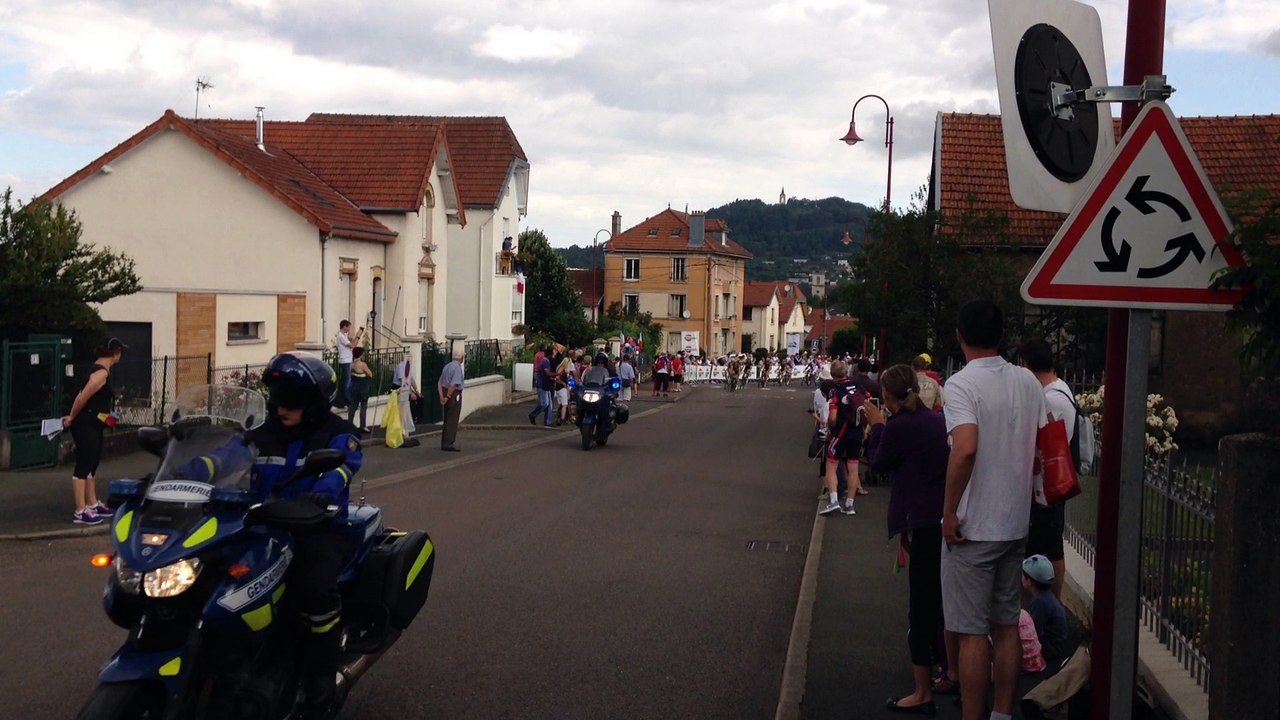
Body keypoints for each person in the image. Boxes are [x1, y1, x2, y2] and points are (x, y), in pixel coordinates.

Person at [941, 299, 1046, 720]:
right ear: (1001, 336)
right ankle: (1002, 713)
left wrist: (949, 512)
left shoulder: (962, 385)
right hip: (1015, 520)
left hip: (974, 525)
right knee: (1006, 625)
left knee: (969, 633)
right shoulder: (1027, 382)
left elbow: (964, 450)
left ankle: (972, 715)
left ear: (959, 336)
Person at [248, 352, 362, 716]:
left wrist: (322, 493)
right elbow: (219, 458)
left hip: (317, 529)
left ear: (313, 404)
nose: (282, 408)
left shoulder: (339, 434)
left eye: (292, 401)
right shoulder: (260, 435)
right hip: (263, 526)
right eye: (278, 398)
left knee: (314, 592)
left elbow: (343, 466)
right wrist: (177, 475)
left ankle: (319, 688)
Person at [864, 364, 951, 715]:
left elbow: (878, 462)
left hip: (918, 517)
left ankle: (921, 689)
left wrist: (878, 425)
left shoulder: (899, 426)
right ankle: (950, 669)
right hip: (942, 514)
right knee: (942, 601)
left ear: (887, 394)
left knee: (921, 605)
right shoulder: (936, 420)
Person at [1017, 337, 1075, 599]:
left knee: (1049, 547)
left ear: (1026, 365)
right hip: (1047, 482)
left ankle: (1050, 603)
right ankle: (1048, 602)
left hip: (1047, 484)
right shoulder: (1060, 390)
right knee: (1048, 544)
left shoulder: (1051, 398)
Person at [62, 338, 127, 525]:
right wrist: (72, 417)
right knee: (83, 464)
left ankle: (92, 503)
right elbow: (82, 397)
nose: (120, 356)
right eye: (120, 352)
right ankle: (80, 510)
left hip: (95, 423)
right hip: (85, 423)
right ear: (115, 354)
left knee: (92, 463)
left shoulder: (102, 371)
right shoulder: (100, 374)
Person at [821, 360, 868, 516]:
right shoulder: (858, 387)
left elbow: (833, 417)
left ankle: (834, 500)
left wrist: (830, 428)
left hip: (841, 432)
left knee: (831, 464)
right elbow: (869, 401)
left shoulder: (835, 391)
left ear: (833, 375)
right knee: (853, 467)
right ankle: (850, 504)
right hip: (857, 431)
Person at [1022, 554, 1068, 666]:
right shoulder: (1047, 598)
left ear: (1029, 581)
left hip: (1051, 648)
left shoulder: (1040, 603)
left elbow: (1033, 630)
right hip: (1056, 645)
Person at [437, 347, 464, 452]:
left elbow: (439, 383)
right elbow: (454, 384)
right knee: (452, 419)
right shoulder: (457, 368)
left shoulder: (447, 366)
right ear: (461, 358)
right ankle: (448, 443)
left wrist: (441, 396)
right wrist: (448, 396)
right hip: (453, 395)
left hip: (444, 392)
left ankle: (445, 442)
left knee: (447, 418)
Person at [392, 350, 420, 446]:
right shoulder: (401, 367)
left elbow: (411, 379)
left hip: (405, 390)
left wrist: (416, 391)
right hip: (399, 390)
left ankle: (405, 431)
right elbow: (403, 381)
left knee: (406, 411)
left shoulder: (408, 367)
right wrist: (410, 393)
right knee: (401, 412)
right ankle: (401, 432)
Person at [335, 320, 363, 408]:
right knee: (347, 382)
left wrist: (358, 336)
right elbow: (353, 345)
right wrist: (358, 336)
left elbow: (353, 343)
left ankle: (344, 401)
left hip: (348, 360)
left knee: (347, 381)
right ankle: (348, 401)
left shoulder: (344, 335)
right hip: (345, 361)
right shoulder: (341, 336)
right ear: (344, 327)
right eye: (348, 327)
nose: (349, 329)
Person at [347, 347, 373, 433]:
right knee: (363, 407)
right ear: (360, 354)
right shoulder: (363, 364)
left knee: (352, 407)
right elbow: (370, 374)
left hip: (353, 387)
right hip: (362, 388)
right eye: (363, 354)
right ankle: (363, 426)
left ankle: (349, 424)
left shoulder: (351, 364)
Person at [528, 345, 555, 426]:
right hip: (543, 384)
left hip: (545, 384)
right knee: (544, 403)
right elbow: (547, 373)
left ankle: (548, 421)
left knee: (548, 404)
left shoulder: (541, 358)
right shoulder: (545, 361)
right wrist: (558, 374)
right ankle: (533, 415)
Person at [554, 349, 574, 425]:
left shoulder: (559, 368)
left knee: (561, 404)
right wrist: (563, 384)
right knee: (564, 404)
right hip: (561, 388)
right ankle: (562, 419)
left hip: (558, 388)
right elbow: (557, 378)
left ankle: (561, 417)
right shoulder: (562, 370)